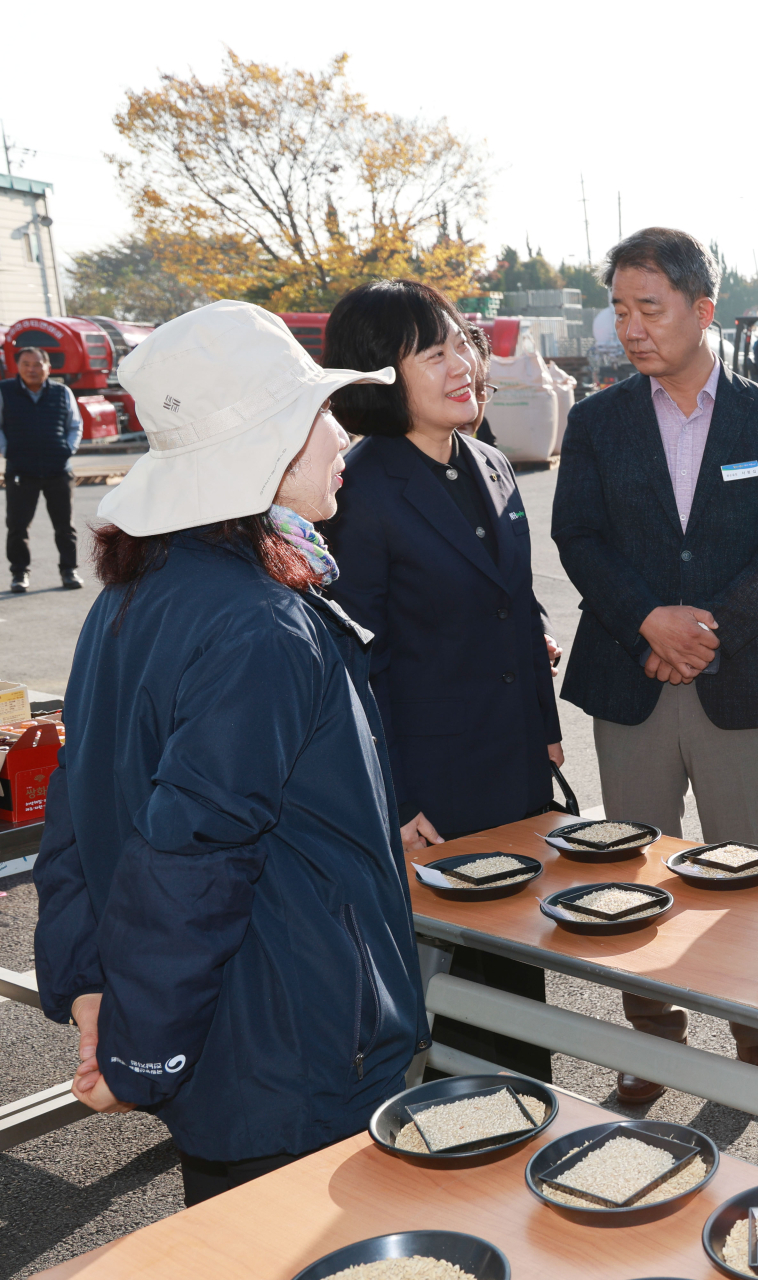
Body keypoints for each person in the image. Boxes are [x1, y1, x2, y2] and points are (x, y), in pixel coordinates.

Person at [33, 300, 424, 1205]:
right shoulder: (261, 623)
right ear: (269, 448)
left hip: (236, 1035)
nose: (339, 435)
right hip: (293, 1045)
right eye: (319, 415)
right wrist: (137, 1046)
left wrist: (94, 988)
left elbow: (78, 803)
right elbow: (193, 855)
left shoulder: (139, 594)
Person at [553, 228, 758, 1102]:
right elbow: (577, 538)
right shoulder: (595, 422)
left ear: (703, 311)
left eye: (648, 307)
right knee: (631, 873)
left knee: (744, 871)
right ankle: (652, 1045)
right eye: (619, 309)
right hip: (630, 678)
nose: (629, 328)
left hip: (732, 675)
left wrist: (706, 630)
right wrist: (648, 622)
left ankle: (757, 1040)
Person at [324, 280, 565, 1082]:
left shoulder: (489, 461)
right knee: (449, 1016)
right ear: (376, 376)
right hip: (430, 797)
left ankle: (528, 1135)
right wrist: (390, 800)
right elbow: (352, 665)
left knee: (521, 993)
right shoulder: (357, 490)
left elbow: (515, 606)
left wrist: (547, 729)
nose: (465, 363)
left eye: (463, 342)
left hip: (512, 774)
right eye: (436, 352)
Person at [2, 345, 85, 592]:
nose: (32, 369)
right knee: (17, 527)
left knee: (64, 527)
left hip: (58, 470)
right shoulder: (4, 391)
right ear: (17, 367)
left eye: (38, 364)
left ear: (48, 367)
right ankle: (19, 574)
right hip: (20, 471)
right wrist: (8, 452)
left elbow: (75, 425)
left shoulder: (62, 392)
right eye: (26, 364)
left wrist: (67, 450)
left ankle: (69, 571)